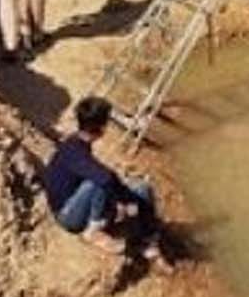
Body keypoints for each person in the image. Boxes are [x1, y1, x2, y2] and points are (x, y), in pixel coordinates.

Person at [41, 96, 164, 263]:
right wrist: (123, 202)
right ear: (101, 127)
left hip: (80, 200)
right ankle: (93, 230)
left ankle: (149, 240)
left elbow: (109, 179)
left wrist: (127, 199)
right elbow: (104, 179)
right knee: (98, 181)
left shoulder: (77, 144)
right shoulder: (74, 152)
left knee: (142, 188)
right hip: (67, 214)